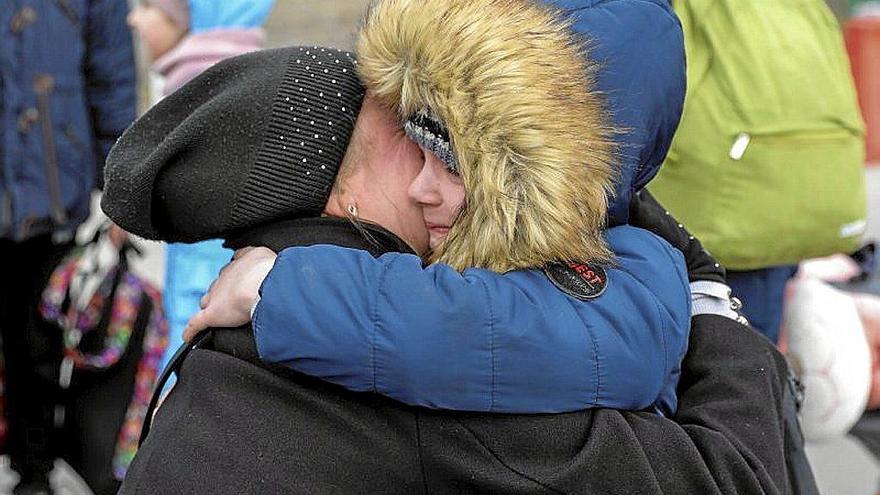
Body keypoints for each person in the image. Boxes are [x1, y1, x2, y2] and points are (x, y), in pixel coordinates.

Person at [104, 12, 790, 495]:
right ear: (337, 204)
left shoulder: (221, 365)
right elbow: (737, 477)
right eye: (402, 145)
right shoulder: (425, 391)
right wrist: (713, 308)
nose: (427, 179)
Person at [186, 0, 695, 416]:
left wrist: (277, 289)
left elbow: (479, 335)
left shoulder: (636, 275)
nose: (419, 189)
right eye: (419, 153)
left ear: (550, 172)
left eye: (453, 166)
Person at [0, 1, 136, 493]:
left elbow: (112, 77)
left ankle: (33, 468)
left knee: (38, 341)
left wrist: (121, 193)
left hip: (52, 191)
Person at [127, 0, 275, 374]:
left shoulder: (202, 84)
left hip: (203, 281)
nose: (134, 18)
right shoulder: (253, 73)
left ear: (188, 17)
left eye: (147, 6)